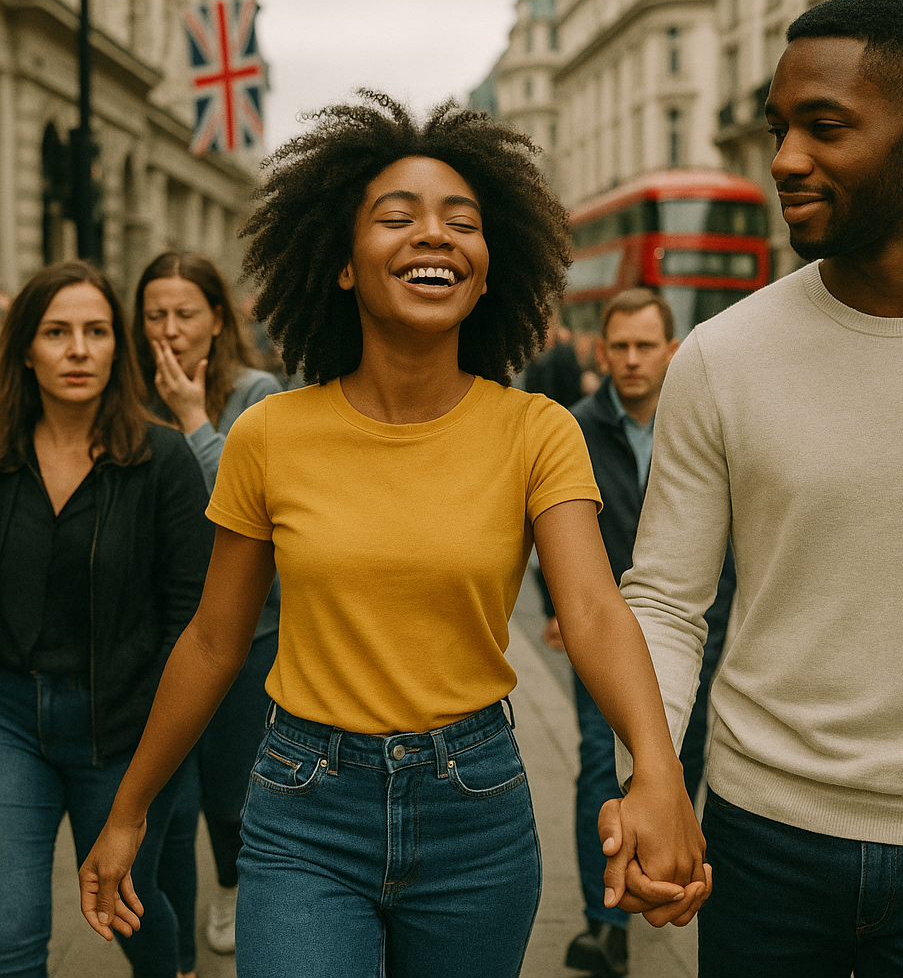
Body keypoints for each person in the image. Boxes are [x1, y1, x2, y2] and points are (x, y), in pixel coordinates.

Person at [78, 93, 710, 978]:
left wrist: (659, 772)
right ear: (342, 263)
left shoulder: (536, 431)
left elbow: (598, 614)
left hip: (476, 809)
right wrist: (130, 810)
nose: (435, 235)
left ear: (489, 271)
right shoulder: (269, 435)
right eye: (396, 217)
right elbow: (217, 640)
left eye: (463, 222)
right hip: (304, 807)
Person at [600, 0, 903, 976]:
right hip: (758, 840)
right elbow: (664, 598)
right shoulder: (718, 357)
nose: (785, 158)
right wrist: (651, 774)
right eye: (780, 126)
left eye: (824, 127)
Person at [0, 261, 213, 978]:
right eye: (56, 332)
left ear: (118, 347)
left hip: (126, 729)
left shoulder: (162, 458)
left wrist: (158, 742)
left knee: (128, 907)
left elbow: (191, 615)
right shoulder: (1, 452)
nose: (79, 350)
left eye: (96, 332)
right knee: (11, 926)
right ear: (26, 346)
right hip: (12, 723)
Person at [538, 288, 735, 978]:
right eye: (617, 346)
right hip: (605, 635)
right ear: (601, 352)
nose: (629, 360)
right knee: (601, 761)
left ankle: (661, 870)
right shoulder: (576, 429)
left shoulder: (705, 418)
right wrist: (558, 604)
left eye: (644, 346)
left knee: (686, 760)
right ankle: (604, 920)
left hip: (701, 632)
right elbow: (545, 526)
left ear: (671, 351)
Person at [133, 251, 282, 975]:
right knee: (170, 801)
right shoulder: (128, 394)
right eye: (155, 315)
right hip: (156, 631)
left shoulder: (256, 393)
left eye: (184, 314)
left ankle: (229, 885)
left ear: (217, 320)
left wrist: (193, 416)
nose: (170, 330)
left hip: (245, 635)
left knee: (229, 797)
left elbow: (255, 513)